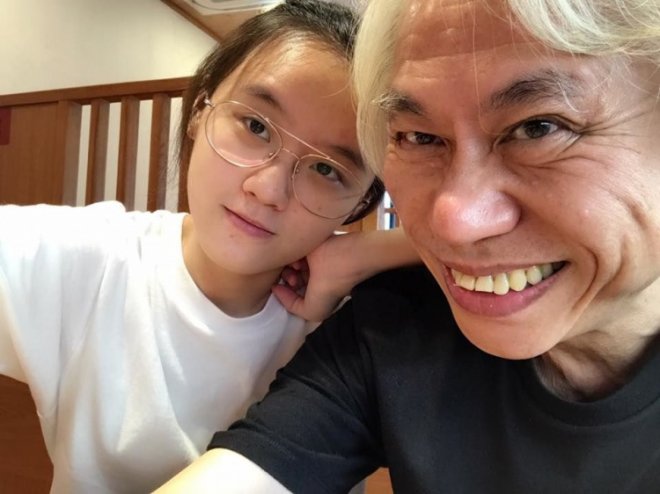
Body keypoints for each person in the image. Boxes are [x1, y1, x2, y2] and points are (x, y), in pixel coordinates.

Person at [156, 0, 660, 492]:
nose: (454, 223)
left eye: (538, 128)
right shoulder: (391, 329)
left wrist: (371, 250)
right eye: (420, 137)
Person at [0, 1, 420, 492]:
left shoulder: (357, 315)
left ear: (360, 203)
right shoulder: (89, 262)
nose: (267, 189)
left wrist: (371, 251)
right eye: (256, 126)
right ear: (200, 112)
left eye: (327, 169)